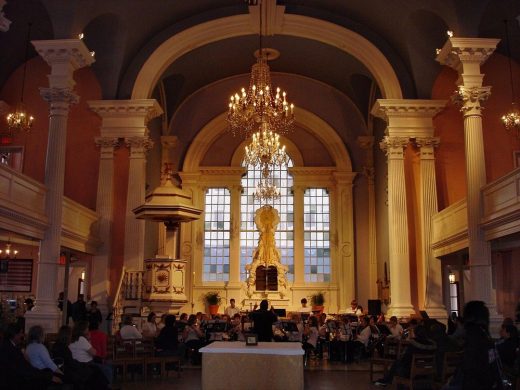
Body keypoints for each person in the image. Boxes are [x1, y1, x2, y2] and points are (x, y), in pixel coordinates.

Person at [0, 322, 60, 389]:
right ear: (15, 334)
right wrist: (49, 376)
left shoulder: (11, 346)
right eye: (21, 333)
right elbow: (26, 369)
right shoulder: (12, 350)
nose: (22, 335)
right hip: (13, 382)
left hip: (13, 379)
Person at [69, 321, 112, 385]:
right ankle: (107, 387)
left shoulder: (72, 338)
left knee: (107, 364)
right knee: (107, 369)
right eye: (87, 328)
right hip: (86, 364)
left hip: (76, 363)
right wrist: (89, 339)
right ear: (83, 329)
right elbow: (94, 352)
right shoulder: (81, 339)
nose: (88, 329)